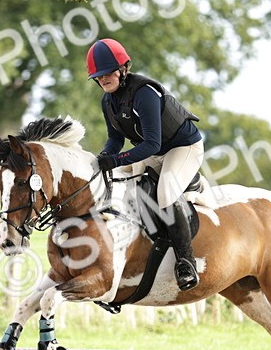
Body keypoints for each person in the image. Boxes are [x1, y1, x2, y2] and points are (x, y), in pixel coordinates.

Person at [87, 38, 203, 291]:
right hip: (154, 151)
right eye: (98, 76)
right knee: (119, 179)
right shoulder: (108, 101)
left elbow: (151, 143)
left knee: (165, 192)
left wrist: (116, 159)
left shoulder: (144, 93)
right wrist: (105, 156)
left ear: (122, 69)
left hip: (182, 148)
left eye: (108, 72)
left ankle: (186, 262)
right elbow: (115, 139)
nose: (103, 79)